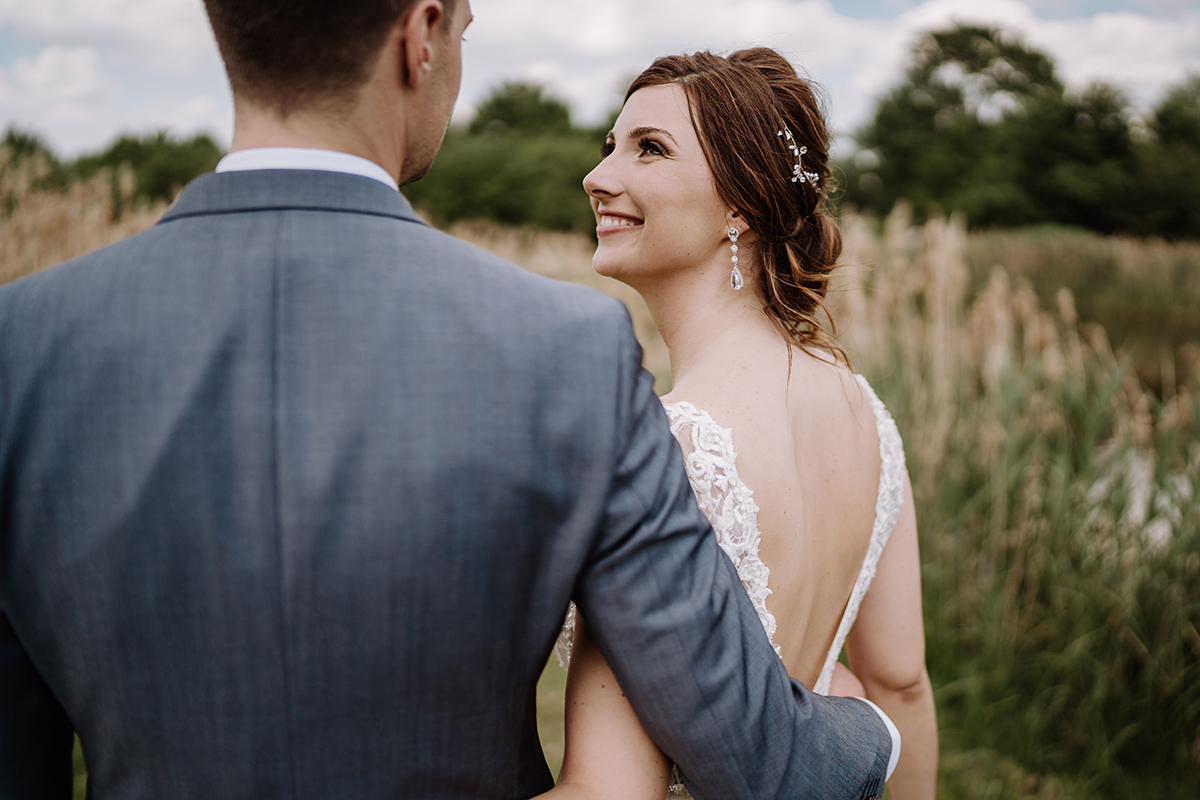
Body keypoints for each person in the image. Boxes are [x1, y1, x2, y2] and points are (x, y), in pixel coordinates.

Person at [0, 3, 899, 799]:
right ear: (419, 34)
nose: (598, 175)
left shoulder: (22, 345)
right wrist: (875, 729)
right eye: (465, 27)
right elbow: (756, 758)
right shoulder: (568, 354)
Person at [550, 49, 938, 799]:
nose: (599, 178)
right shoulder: (866, 413)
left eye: (650, 149)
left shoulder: (672, 448)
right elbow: (899, 683)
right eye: (610, 147)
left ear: (741, 207)